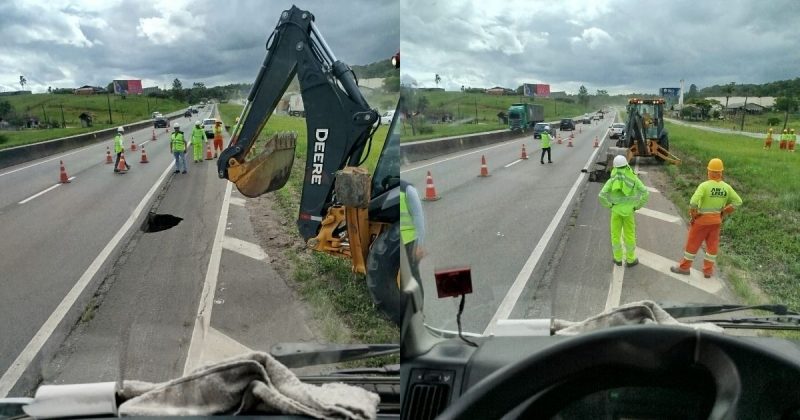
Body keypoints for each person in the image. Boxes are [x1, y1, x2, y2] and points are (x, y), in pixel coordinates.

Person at [670, 158, 742, 279]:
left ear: (709, 172)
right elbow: (738, 202)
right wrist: (724, 211)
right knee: (712, 246)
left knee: (692, 245)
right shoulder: (726, 187)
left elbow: (693, 202)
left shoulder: (704, 186)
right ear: (721, 172)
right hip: (716, 221)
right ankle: (708, 271)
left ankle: (684, 268)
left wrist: (694, 214)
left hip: (701, 221)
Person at [598, 155, 649, 267]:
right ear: (627, 165)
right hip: (629, 213)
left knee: (615, 235)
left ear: (615, 167)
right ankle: (630, 260)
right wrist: (637, 206)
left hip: (615, 212)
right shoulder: (633, 179)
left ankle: (618, 259)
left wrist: (610, 205)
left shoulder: (612, 180)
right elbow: (645, 193)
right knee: (629, 235)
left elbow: (601, 195)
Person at [400, 179, 425, 297]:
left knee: (413, 278)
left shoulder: (407, 190)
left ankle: (419, 309)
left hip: (409, 243)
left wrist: (420, 245)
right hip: (397, 244)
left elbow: (418, 217)